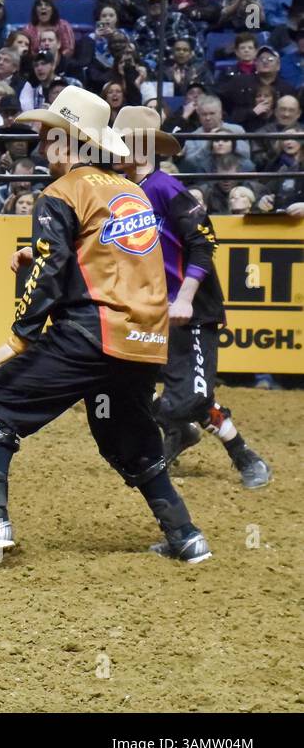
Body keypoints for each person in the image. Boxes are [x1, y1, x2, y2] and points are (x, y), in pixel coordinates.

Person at [0, 86, 211, 563]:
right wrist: (40, 255)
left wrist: (17, 341)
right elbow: (105, 258)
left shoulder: (60, 193)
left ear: (67, 141)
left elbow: (49, 271)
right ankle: (185, 534)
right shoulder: (131, 192)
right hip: (142, 342)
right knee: (126, 434)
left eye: (47, 137)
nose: (42, 148)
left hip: (90, 334)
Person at [108, 106, 272, 490]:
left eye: (121, 143)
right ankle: (205, 439)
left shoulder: (167, 188)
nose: (114, 151)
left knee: (188, 399)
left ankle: (237, 451)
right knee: (134, 389)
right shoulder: (122, 192)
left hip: (192, 310)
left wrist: (184, 299)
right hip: (154, 309)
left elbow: (202, 244)